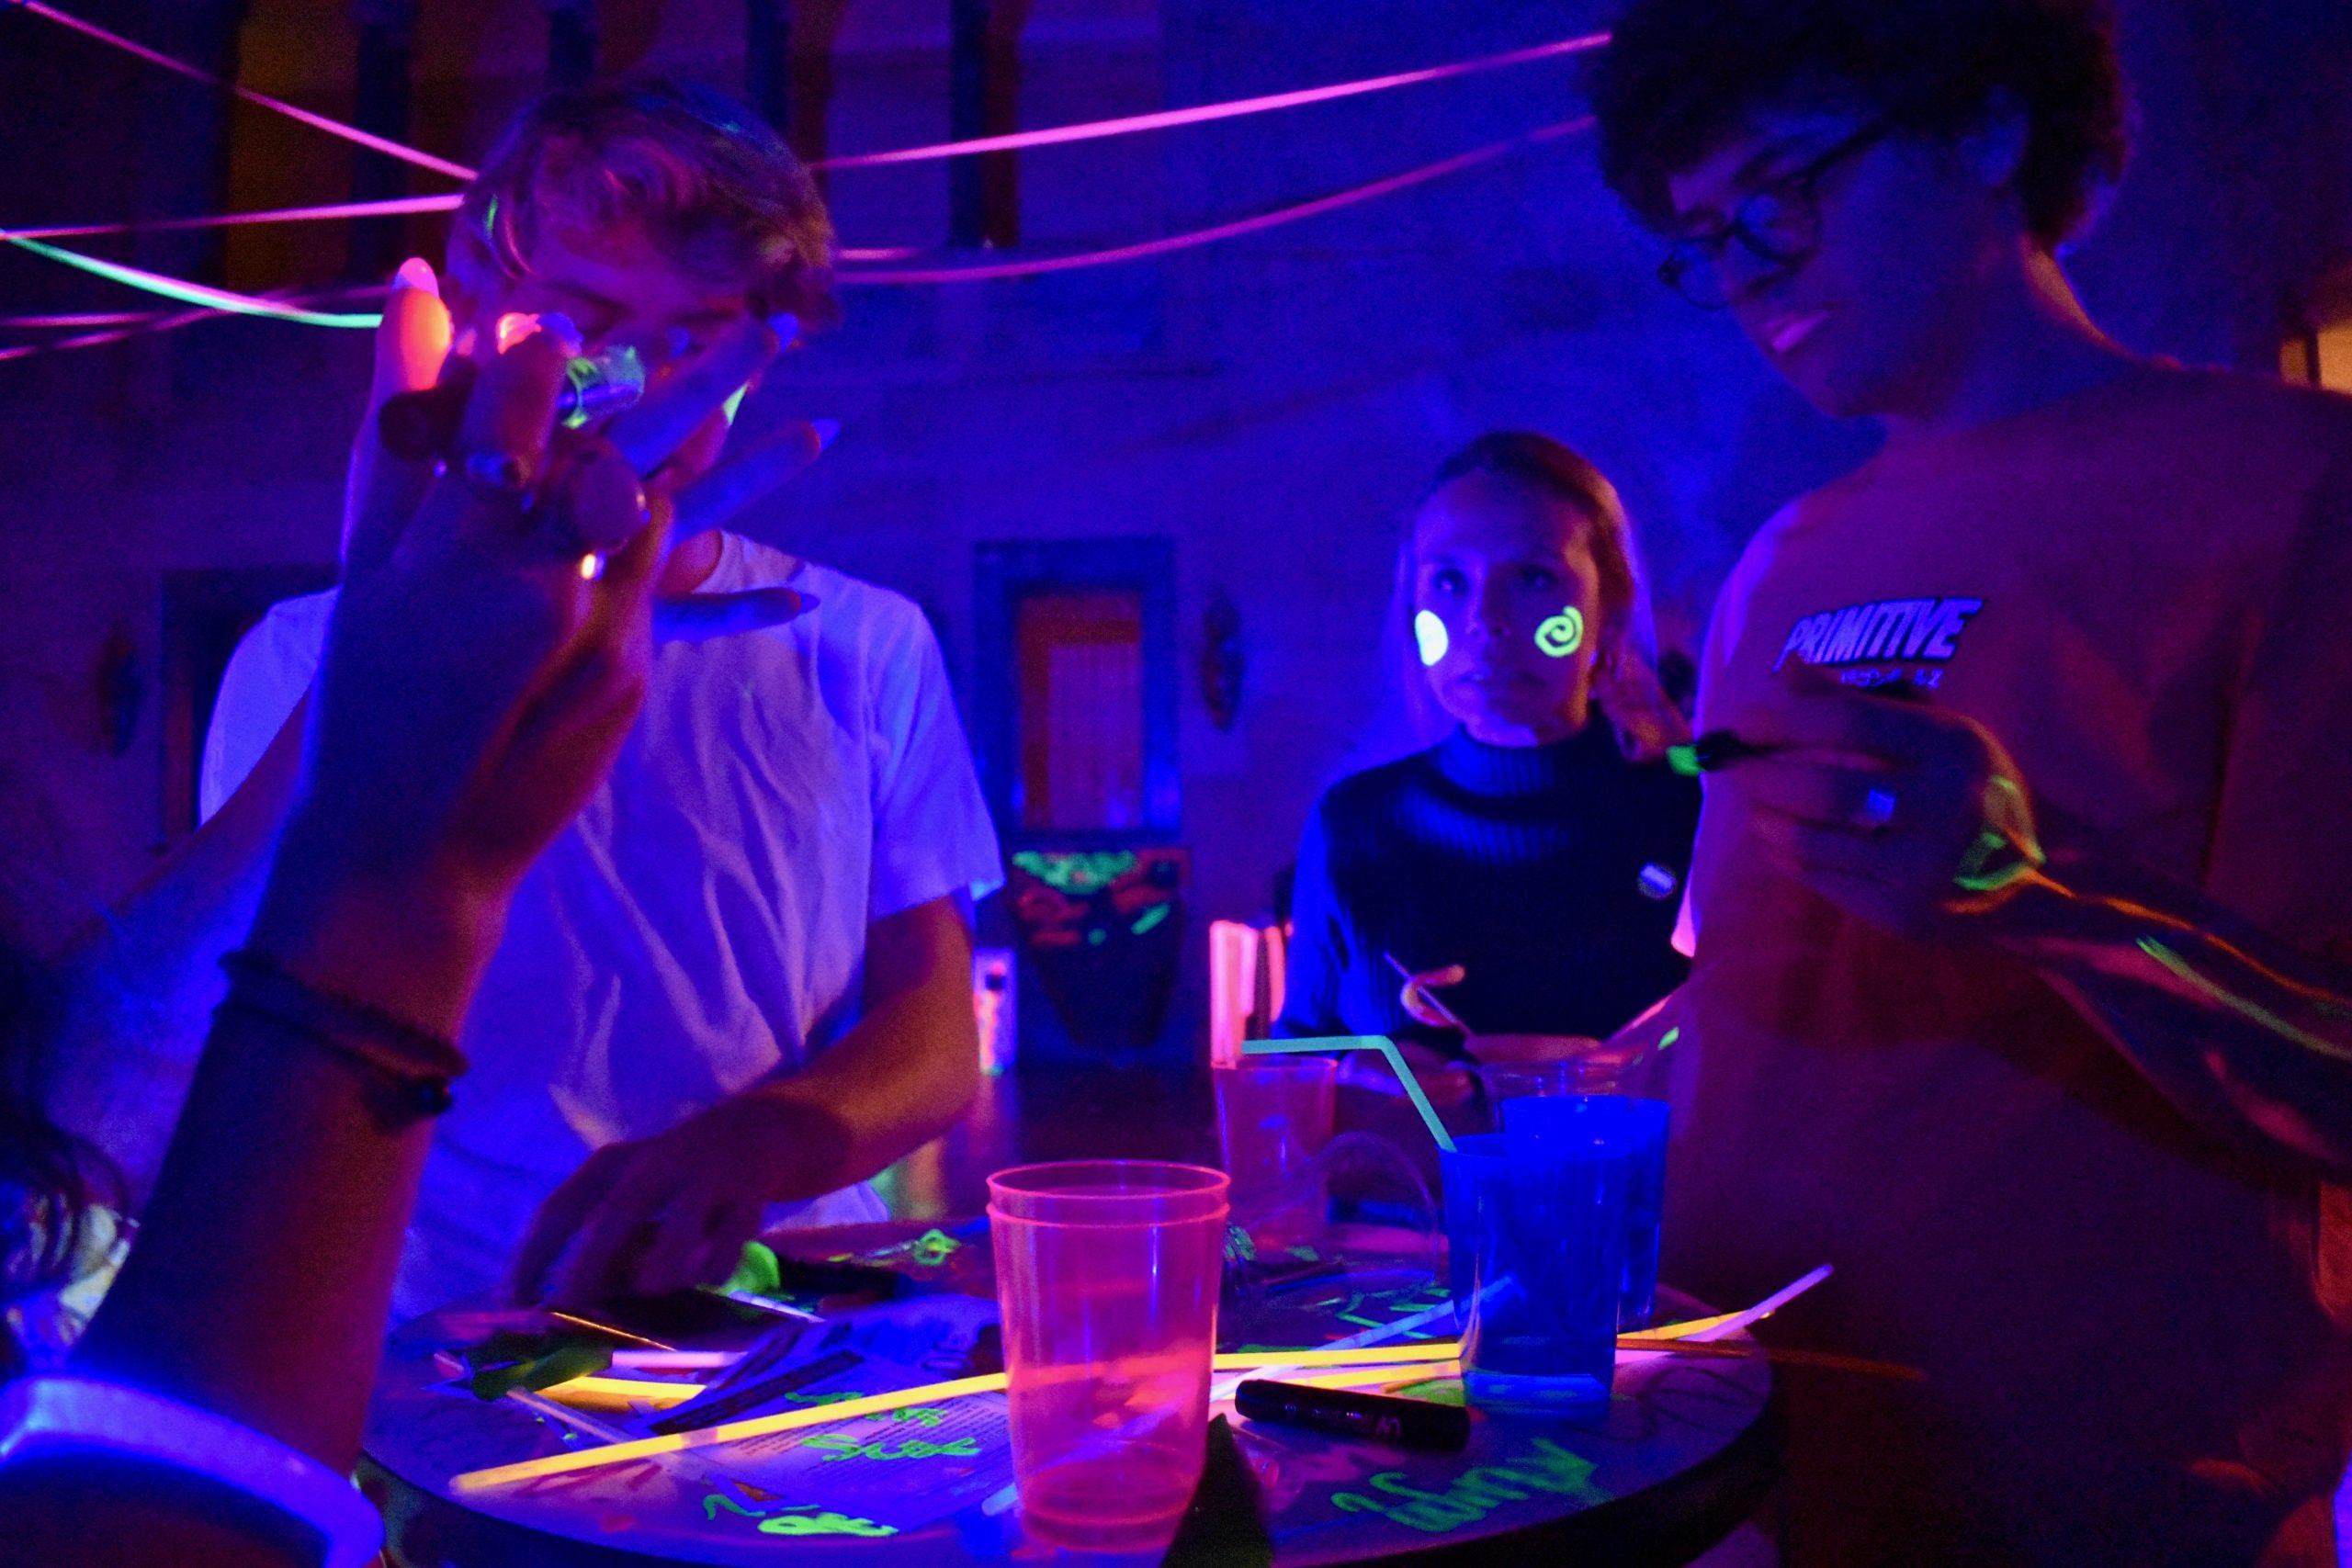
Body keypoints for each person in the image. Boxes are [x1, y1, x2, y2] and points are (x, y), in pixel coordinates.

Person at [1590, 1, 2352, 1561]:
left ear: (1989, 122)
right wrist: (1561, 1088)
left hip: (2112, 1490)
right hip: (1751, 1460)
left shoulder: (2291, 489)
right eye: (1706, 241)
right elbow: (1759, 1005)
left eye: (1783, 196)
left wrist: (2040, 895)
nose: (1749, 276)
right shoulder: (1783, 560)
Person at [49, 77, 1001, 1322]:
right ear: (483, 312)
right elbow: (154, 1073)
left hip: (773, 1322)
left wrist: (771, 1135)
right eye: (595, 319)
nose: (653, 383)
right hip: (416, 1333)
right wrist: (381, 651)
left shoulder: (863, 640)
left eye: (700, 338)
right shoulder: (295, 656)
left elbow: (934, 1029)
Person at [2, 288, 739, 1564]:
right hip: (380, 1396)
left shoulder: (861, 633)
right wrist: (400, 873)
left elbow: (63, 1101)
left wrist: (383, 662)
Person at [1278, 433, 1698, 1081]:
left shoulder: (1689, 811)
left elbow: (1763, 1056)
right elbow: (1296, 1058)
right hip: (1405, 1186)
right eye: (1448, 580)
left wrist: (1604, 1076)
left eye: (1532, 577)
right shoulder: (1354, 821)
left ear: (1608, 610)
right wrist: (1348, 1076)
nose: (1484, 618)